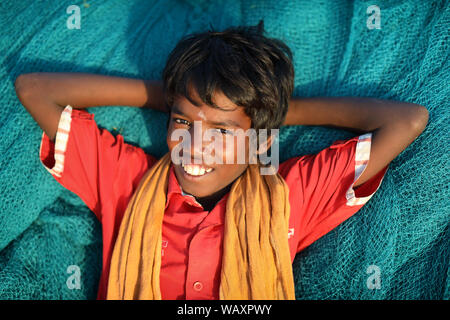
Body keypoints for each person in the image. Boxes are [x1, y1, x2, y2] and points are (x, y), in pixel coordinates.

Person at [15, 21, 428, 300]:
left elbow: (407, 121)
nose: (194, 145)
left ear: (258, 139)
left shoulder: (289, 195)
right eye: (182, 120)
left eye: (222, 131)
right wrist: (181, 95)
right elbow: (34, 89)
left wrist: (272, 111)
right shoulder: (128, 182)